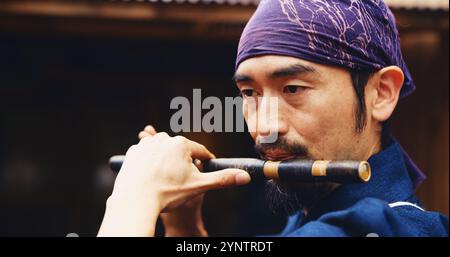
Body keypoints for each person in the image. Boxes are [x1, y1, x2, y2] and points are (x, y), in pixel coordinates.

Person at [98, 0, 449, 237]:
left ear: (381, 93)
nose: (263, 129)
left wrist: (133, 198)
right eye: (250, 93)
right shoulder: (312, 214)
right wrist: (185, 229)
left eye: (293, 89)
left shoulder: (383, 227)